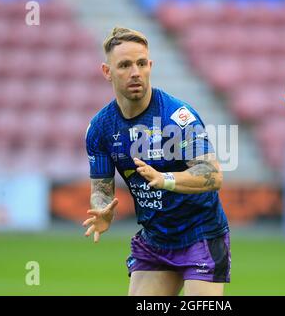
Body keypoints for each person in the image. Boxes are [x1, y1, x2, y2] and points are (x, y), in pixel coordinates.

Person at [82, 26, 230, 296]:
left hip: (201, 234)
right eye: (125, 65)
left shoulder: (177, 117)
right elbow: (101, 191)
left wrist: (166, 179)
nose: (135, 72)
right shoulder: (100, 128)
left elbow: (213, 174)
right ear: (107, 72)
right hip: (156, 240)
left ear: (150, 65)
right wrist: (102, 209)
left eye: (141, 63)